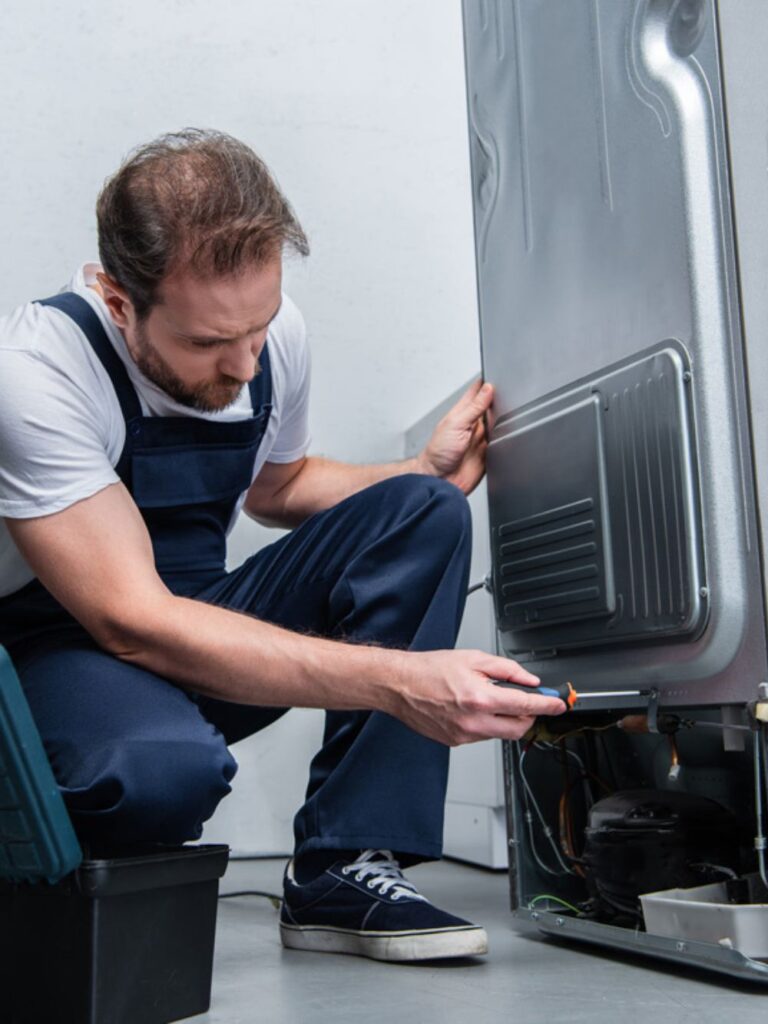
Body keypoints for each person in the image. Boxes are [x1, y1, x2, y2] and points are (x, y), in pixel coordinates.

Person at [0, 129, 564, 962]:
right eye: (205, 344)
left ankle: (341, 866)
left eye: (258, 327)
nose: (243, 362)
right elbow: (131, 622)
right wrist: (399, 682)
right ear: (120, 301)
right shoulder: (35, 375)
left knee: (425, 510)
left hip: (189, 620)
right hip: (61, 650)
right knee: (163, 776)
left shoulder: (267, 335)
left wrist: (417, 469)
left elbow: (277, 486)